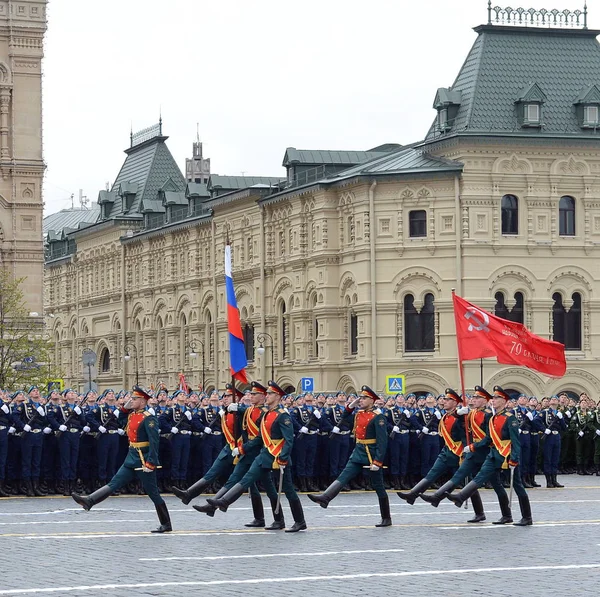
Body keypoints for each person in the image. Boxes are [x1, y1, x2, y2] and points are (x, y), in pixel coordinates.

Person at [206, 381, 307, 533]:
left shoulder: (283, 416)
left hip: (279, 457)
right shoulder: (266, 414)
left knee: (288, 489)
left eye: (270, 394)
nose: (268, 396)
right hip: (265, 455)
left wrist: (283, 458)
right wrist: (242, 449)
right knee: (248, 478)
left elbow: (289, 440)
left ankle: (299, 521)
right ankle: (225, 501)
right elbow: (259, 438)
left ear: (278, 396)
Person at [71, 386, 172, 533]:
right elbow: (121, 419)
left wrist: (151, 462)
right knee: (115, 482)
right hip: (132, 456)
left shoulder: (149, 418)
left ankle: (166, 523)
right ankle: (89, 501)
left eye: (135, 399)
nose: (132, 400)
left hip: (143, 460)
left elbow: (154, 441)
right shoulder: (132, 415)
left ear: (143, 401)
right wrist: (125, 408)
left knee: (153, 492)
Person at [446, 386, 533, 526]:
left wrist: (514, 459)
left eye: (497, 398)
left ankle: (527, 517)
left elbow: (516, 442)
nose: (493, 400)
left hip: (507, 455)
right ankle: (462, 497)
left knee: (517, 486)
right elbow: (488, 439)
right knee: (482, 477)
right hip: (494, 454)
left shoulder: (510, 418)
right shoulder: (493, 418)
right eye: (493, 397)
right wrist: (473, 446)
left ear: (504, 401)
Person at [308, 385, 391, 528]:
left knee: (378, 486)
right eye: (361, 397)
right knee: (344, 475)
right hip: (358, 451)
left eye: (364, 398)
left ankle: (386, 517)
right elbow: (343, 418)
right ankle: (325, 498)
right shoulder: (359, 413)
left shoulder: (378, 417)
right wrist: (350, 406)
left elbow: (382, 441)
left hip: (371, 454)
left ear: (372, 400)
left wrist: (377, 461)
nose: (361, 400)